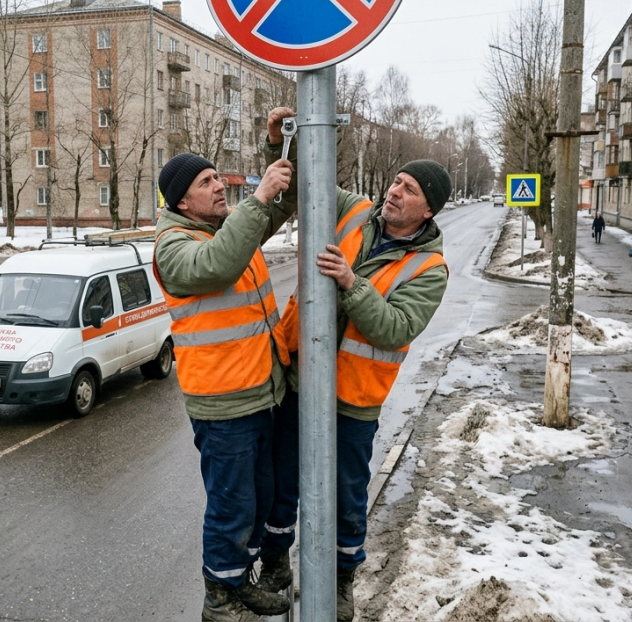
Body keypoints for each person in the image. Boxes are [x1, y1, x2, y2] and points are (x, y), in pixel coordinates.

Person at [257, 113, 451, 622]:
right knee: (282, 479)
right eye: (395, 181)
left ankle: (341, 580)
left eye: (408, 190)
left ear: (427, 209)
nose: (394, 192)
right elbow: (308, 184)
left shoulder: (429, 269)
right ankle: (276, 563)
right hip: (301, 380)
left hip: (354, 400)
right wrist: (281, 142)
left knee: (345, 496)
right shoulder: (353, 212)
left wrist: (350, 282)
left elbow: (394, 328)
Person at [152, 126, 297, 622]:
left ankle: (239, 583)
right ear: (183, 202)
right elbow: (217, 267)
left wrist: (281, 148)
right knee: (232, 506)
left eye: (219, 178)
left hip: (261, 392)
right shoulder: (174, 245)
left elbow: (282, 202)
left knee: (258, 502)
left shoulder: (227, 225)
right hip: (222, 403)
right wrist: (256, 199)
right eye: (207, 182)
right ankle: (218, 599)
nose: (219, 187)